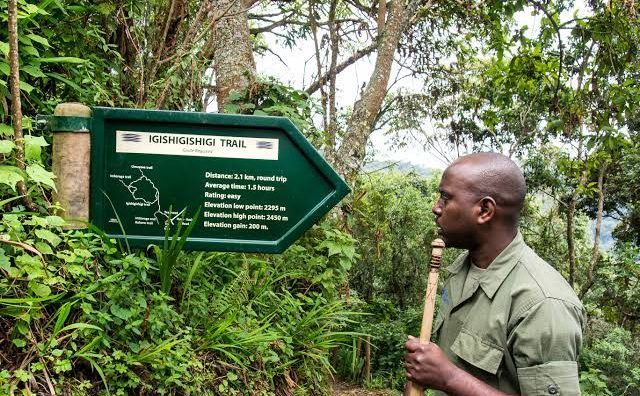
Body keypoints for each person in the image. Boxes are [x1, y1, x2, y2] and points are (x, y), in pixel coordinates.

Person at [404, 152, 585, 396]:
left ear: (485, 210)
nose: (436, 207)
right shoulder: (461, 268)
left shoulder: (542, 304)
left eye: (446, 198)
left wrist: (449, 378)